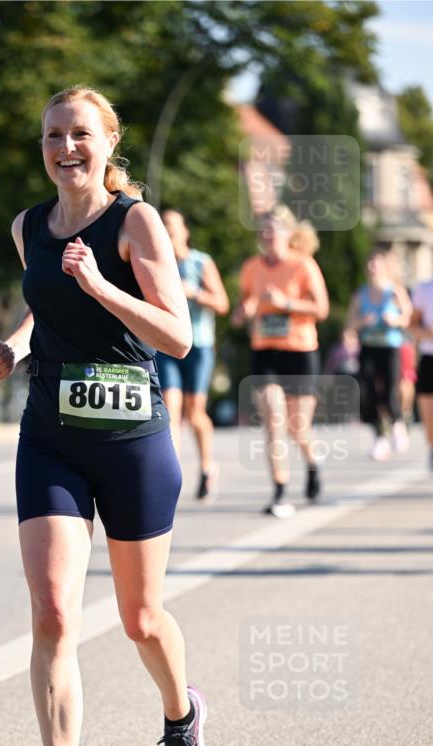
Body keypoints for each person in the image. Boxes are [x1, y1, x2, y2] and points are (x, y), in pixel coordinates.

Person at [0, 86, 207, 746]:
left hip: (132, 440)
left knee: (139, 618)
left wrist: (101, 284)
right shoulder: (27, 226)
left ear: (109, 143)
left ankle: (180, 712)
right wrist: (16, 344)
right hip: (50, 434)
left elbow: (175, 335)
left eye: (79, 134)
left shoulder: (133, 221)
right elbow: (47, 303)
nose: (64, 148)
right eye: (51, 135)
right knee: (51, 610)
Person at [231, 206, 329, 517]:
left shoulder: (303, 265)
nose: (267, 236)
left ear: (288, 234)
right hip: (265, 352)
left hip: (300, 351)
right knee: (274, 420)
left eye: (272, 230)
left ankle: (313, 462)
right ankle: (280, 492)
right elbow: (243, 305)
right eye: (263, 230)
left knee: (298, 427)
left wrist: (285, 303)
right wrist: (243, 311)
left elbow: (321, 309)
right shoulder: (251, 268)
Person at [156, 210, 229, 500]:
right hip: (166, 345)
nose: (167, 230)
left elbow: (222, 303)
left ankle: (207, 466)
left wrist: (194, 292)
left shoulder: (201, 262)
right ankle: (168, 478)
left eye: (172, 225)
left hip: (198, 345)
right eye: (162, 225)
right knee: (169, 411)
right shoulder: (156, 262)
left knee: (194, 412)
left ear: (185, 231)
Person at [343, 250, 412, 460]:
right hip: (369, 347)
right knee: (368, 390)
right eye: (370, 263)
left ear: (384, 267)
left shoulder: (395, 291)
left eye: (377, 263)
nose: (373, 267)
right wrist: (362, 323)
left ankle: (397, 423)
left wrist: (395, 320)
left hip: (390, 347)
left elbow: (408, 317)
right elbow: (349, 325)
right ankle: (380, 436)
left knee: (390, 390)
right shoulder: (360, 294)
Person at [410, 275, 433, 470]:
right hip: (429, 357)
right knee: (429, 415)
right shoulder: (424, 288)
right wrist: (427, 334)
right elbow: (412, 325)